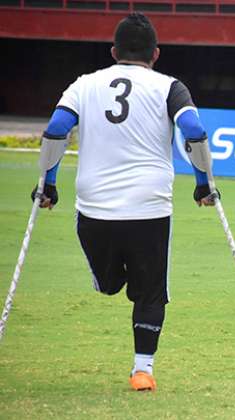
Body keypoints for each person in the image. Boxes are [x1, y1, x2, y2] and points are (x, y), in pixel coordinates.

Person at [31, 13, 216, 391]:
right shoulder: (170, 87)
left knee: (110, 284)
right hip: (149, 207)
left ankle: (139, 357)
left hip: (94, 206)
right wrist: (203, 184)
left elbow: (55, 130)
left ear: (113, 52)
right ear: (157, 53)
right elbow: (194, 131)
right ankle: (142, 370)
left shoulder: (83, 85)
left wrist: (47, 185)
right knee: (150, 292)